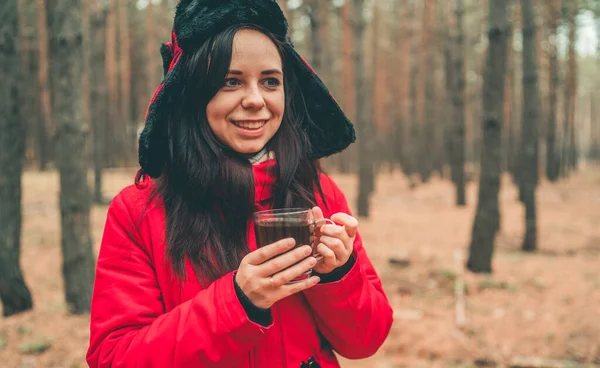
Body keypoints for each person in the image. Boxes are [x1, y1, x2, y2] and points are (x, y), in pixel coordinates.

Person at [86, 0, 393, 367]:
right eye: (231, 81)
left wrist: (339, 273)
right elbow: (113, 357)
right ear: (192, 93)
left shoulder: (320, 194)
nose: (255, 100)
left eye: (270, 81)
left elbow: (366, 341)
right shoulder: (138, 212)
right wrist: (238, 303)